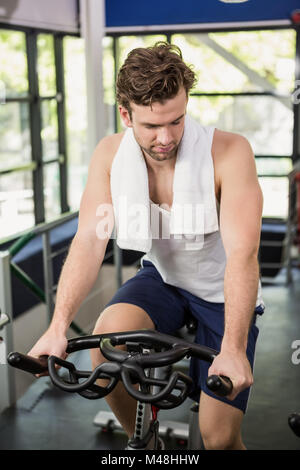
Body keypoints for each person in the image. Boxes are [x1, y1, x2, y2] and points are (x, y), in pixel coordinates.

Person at [28, 42, 265, 450]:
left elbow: (243, 256)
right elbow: (88, 240)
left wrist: (233, 349)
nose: (167, 137)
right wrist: (56, 328)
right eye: (152, 126)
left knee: (219, 438)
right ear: (126, 114)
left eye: (176, 121)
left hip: (219, 289)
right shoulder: (109, 154)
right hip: (164, 277)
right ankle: (144, 442)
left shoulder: (229, 152)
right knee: (105, 347)